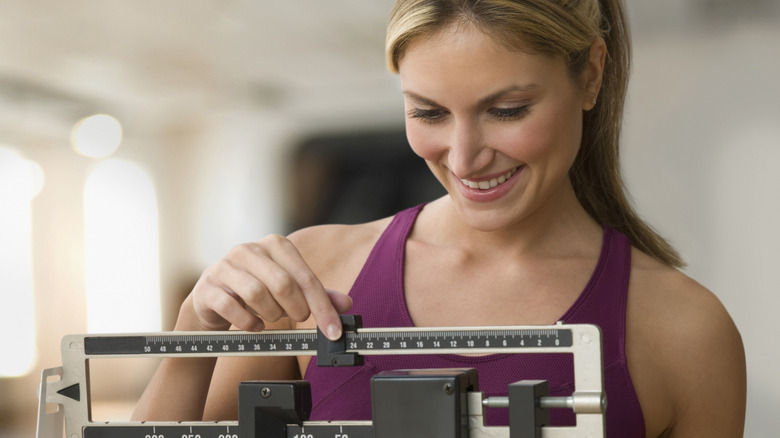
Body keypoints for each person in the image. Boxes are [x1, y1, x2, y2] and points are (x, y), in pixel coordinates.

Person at [132, 0, 746, 436]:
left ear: (590, 74)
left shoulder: (684, 332)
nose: (463, 157)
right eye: (428, 113)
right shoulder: (314, 273)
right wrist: (193, 334)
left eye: (507, 110)